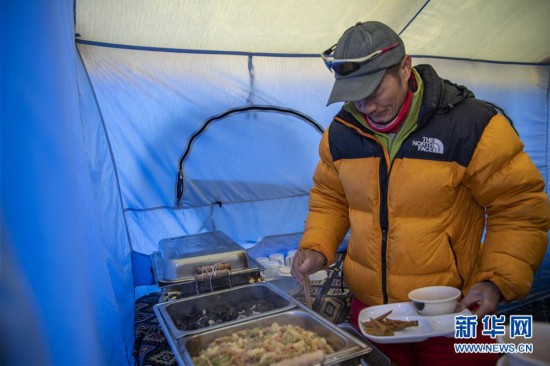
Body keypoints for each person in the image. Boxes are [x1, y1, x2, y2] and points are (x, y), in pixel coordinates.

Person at [291, 21, 550, 365]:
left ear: (404, 67)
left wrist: (496, 281)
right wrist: (317, 246)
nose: (366, 108)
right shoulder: (341, 133)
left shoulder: (473, 125)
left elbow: (519, 208)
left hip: (453, 312)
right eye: (355, 96)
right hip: (372, 312)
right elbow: (331, 198)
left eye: (374, 91)